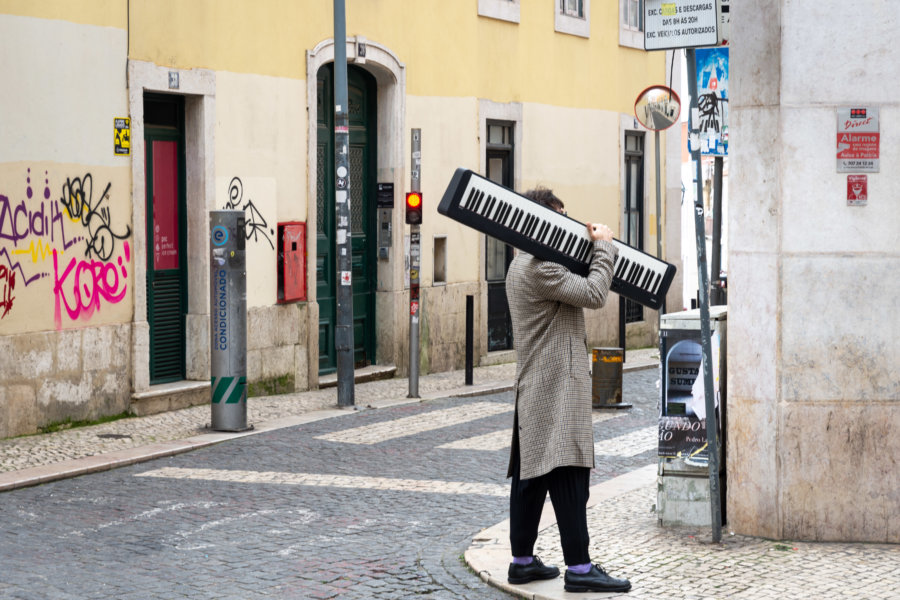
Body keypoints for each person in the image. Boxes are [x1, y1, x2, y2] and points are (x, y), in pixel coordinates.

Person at [504, 186, 631, 594]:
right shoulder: (542, 268)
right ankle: (579, 568)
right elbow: (594, 293)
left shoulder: (520, 263)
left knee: (530, 479)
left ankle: (522, 561)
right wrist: (604, 248)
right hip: (557, 387)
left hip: (535, 388)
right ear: (543, 223)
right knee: (571, 476)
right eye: (560, 218)